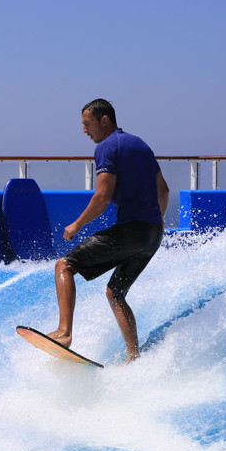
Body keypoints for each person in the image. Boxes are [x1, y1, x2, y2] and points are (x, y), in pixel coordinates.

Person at [48, 99, 170, 362]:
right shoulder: (142, 145)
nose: (84, 130)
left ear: (105, 120)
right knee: (115, 293)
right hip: (152, 234)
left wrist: (76, 225)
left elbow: (103, 196)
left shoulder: (106, 147)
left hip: (132, 230)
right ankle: (133, 356)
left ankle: (64, 332)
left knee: (64, 266)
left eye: (87, 124)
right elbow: (164, 190)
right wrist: (155, 223)